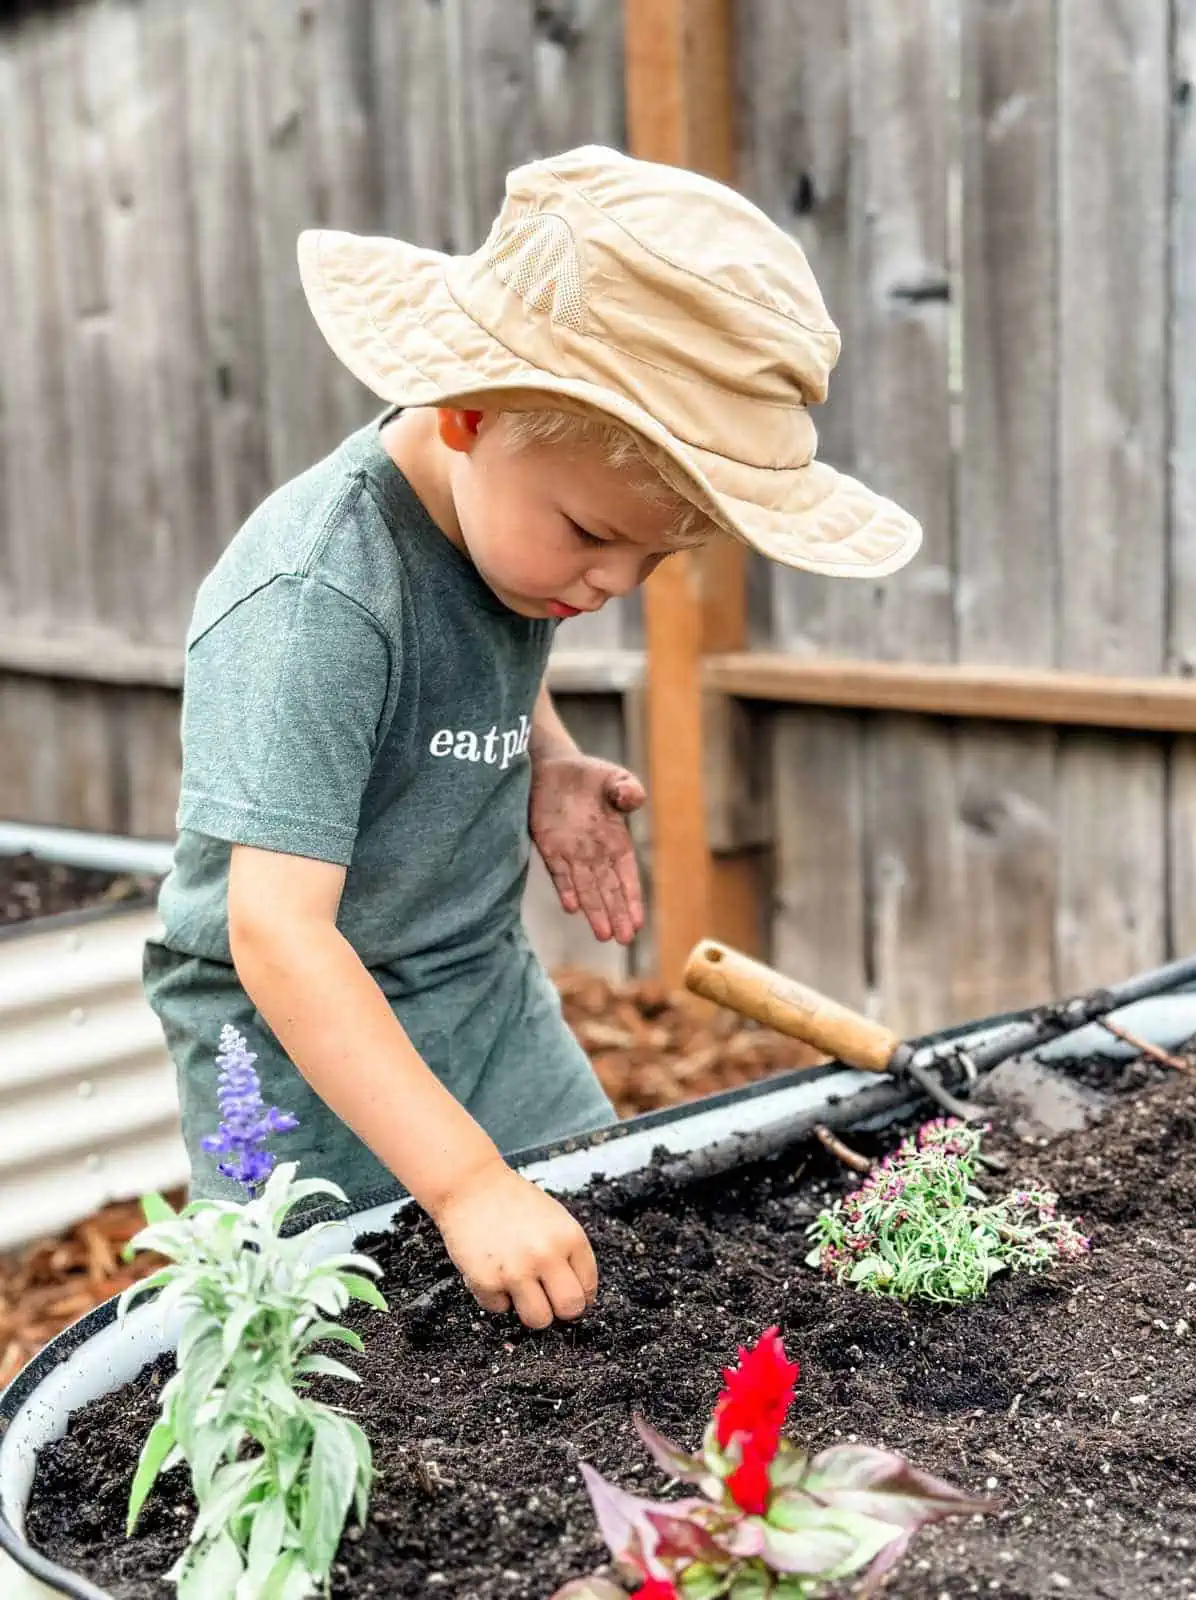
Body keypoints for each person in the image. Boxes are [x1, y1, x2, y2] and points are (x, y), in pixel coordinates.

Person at [143, 144, 921, 1331]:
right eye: (594, 536)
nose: (613, 583)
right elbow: (275, 931)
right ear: (467, 409)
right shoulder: (318, 598)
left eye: (656, 559)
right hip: (300, 1047)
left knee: (605, 1263)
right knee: (339, 1353)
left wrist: (545, 757)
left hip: (482, 986)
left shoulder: (514, 541)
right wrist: (462, 1182)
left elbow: (493, 626)